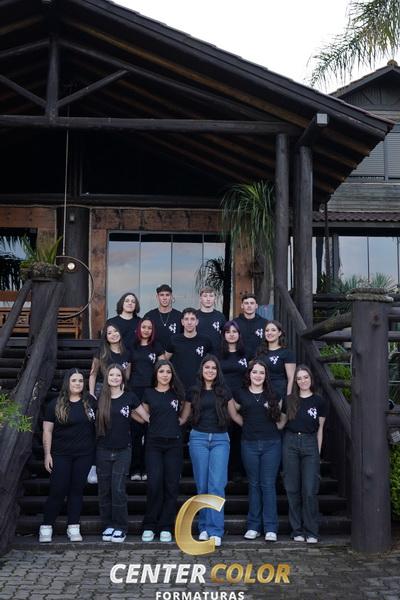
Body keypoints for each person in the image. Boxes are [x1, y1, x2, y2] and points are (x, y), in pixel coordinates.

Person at [180, 355, 239, 547]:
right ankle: (204, 527)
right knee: (202, 485)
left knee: (217, 485)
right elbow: (183, 418)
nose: (210, 371)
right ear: (201, 370)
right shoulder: (193, 391)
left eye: (214, 368)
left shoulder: (224, 391)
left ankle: (215, 530)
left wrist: (262, 426)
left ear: (217, 371)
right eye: (207, 367)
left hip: (220, 439)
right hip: (198, 438)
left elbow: (235, 415)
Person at [230, 359, 284, 542]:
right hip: (249, 444)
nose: (258, 375)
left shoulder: (274, 394)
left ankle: (270, 528)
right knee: (253, 484)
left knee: (268, 484)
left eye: (262, 372)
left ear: (266, 375)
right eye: (254, 372)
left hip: (272, 444)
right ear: (249, 374)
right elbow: (233, 413)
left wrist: (275, 427)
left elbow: (282, 418)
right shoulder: (241, 394)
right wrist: (246, 426)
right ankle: (253, 526)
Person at [39, 369, 96, 543]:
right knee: (58, 490)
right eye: (74, 380)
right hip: (60, 454)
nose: (78, 383)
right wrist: (47, 454)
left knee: (77, 491)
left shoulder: (90, 402)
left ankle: (73, 527)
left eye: (80, 380)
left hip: (84, 454)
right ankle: (46, 526)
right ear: (67, 382)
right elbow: (47, 431)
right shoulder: (55, 404)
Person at [133, 359, 185, 543]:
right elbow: (141, 415)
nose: (165, 375)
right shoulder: (148, 393)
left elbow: (184, 413)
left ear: (172, 374)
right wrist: (148, 420)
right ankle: (149, 525)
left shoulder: (177, 393)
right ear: (156, 373)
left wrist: (177, 423)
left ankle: (166, 526)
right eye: (161, 371)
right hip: (154, 444)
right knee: (154, 484)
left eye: (168, 372)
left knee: (171, 486)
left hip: (174, 444)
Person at [281, 365, 328, 544]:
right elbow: (281, 424)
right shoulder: (289, 400)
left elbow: (320, 429)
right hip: (290, 442)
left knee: (309, 490)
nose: (303, 381)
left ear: (311, 378)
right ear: (295, 381)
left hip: (310, 444)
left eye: (305, 377)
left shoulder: (319, 401)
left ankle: (312, 531)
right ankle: (297, 530)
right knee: (292, 488)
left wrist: (317, 452)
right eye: (299, 378)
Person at [96, 364, 138, 543]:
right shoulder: (99, 398)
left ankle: (121, 526)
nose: (114, 378)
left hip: (123, 450)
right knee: (104, 489)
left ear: (122, 378)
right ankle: (108, 525)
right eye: (111, 375)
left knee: (118, 489)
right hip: (102, 449)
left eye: (118, 375)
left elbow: (144, 417)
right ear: (106, 378)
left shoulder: (130, 397)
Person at [87, 323, 131, 485]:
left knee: (116, 426)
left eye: (115, 331)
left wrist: (123, 392)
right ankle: (93, 466)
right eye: (109, 332)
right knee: (99, 427)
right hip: (101, 391)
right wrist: (92, 394)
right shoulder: (102, 352)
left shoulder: (127, 353)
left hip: (119, 391)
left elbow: (127, 376)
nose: (113, 334)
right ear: (105, 337)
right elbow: (93, 374)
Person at [129, 318, 163, 481]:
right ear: (139, 329)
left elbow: (163, 369)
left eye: (150, 327)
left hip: (151, 391)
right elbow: (127, 372)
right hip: (135, 391)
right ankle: (135, 469)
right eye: (144, 327)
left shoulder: (157, 347)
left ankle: (148, 469)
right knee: (136, 432)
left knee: (150, 433)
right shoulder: (132, 347)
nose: (146, 330)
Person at [219, 320, 248, 481]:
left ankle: (238, 471)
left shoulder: (246, 354)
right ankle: (225, 471)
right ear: (224, 335)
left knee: (239, 436)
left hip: (242, 400)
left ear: (239, 334)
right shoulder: (218, 354)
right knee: (225, 437)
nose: (231, 335)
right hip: (222, 401)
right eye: (228, 332)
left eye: (234, 332)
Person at [165, 307, 212, 391]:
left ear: (197, 322)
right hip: (178, 387)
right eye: (186, 319)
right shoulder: (174, 340)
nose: (189, 322)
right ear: (182, 322)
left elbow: (212, 362)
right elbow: (165, 361)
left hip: (199, 387)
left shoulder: (205, 341)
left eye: (192, 319)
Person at [256, 320, 296, 400]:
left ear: (279, 333)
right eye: (267, 330)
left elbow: (291, 378)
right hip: (262, 392)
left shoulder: (287, 353)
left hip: (280, 392)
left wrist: (288, 397)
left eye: (273, 330)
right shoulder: (260, 353)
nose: (269, 333)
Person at [143, 284, 182, 352]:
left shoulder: (179, 316)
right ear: (157, 297)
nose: (164, 298)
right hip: (154, 355)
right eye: (162, 295)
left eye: (167, 295)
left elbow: (184, 338)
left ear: (171, 297)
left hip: (175, 356)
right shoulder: (149, 316)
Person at [196, 286, 226, 356]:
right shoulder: (194, 316)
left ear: (215, 298)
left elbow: (225, 335)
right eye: (205, 296)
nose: (208, 299)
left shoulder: (220, 316)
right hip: (197, 353)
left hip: (216, 355)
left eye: (211, 296)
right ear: (200, 299)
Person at [235, 294, 267, 359]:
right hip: (239, 359)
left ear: (256, 306)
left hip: (260, 359)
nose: (249, 306)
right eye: (246, 303)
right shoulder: (235, 323)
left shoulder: (265, 323)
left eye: (252, 303)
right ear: (242, 306)